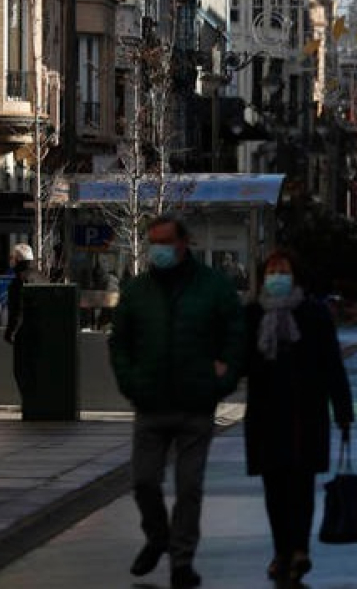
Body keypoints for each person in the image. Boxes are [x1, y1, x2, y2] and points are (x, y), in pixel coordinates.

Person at [109, 215, 244, 589]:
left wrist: (223, 378)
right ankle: (157, 537)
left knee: (189, 487)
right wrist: (131, 382)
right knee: (144, 481)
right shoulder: (138, 290)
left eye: (165, 242)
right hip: (150, 402)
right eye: (154, 242)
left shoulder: (213, 287)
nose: (159, 250)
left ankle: (182, 560)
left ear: (184, 243)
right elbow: (120, 342)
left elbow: (235, 335)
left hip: (195, 402)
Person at [243, 249, 354, 582]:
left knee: (302, 485)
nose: (277, 277)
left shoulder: (313, 313)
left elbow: (332, 363)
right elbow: (240, 358)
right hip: (265, 413)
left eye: (283, 271)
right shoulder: (252, 314)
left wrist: (343, 409)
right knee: (274, 487)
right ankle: (282, 550)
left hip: (305, 412)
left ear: (295, 276)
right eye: (272, 271)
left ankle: (300, 549)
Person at [4, 243, 44, 398]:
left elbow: (17, 310)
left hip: (24, 333)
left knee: (21, 370)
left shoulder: (18, 282)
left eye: (12, 258)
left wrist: (10, 332)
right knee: (36, 370)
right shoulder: (41, 277)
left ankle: (29, 401)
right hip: (42, 330)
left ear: (16, 260)